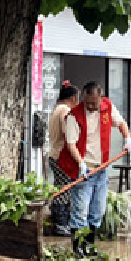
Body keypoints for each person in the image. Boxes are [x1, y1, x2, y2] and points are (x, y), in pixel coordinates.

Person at [58, 81, 131, 256]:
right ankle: (78, 248)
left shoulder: (107, 107)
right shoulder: (74, 116)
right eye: (87, 102)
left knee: (97, 210)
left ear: (100, 97)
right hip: (84, 169)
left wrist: (127, 138)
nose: (91, 106)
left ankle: (89, 245)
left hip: (102, 168)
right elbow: (71, 144)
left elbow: (121, 123)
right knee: (80, 210)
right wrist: (81, 164)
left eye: (94, 102)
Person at [47, 82, 80, 236]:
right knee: (64, 190)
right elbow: (70, 136)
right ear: (73, 98)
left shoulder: (56, 110)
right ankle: (60, 224)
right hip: (62, 157)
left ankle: (59, 222)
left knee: (60, 187)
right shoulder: (66, 111)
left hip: (54, 154)